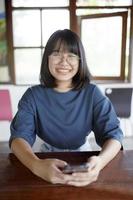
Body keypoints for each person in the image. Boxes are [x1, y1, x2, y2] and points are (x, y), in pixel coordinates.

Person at [9, 29, 123, 187]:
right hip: (46, 156)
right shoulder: (32, 95)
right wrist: (36, 165)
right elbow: (18, 137)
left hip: (84, 154)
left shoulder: (93, 93)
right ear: (47, 58)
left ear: (80, 60)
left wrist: (100, 161)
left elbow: (114, 135)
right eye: (56, 54)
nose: (64, 61)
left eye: (71, 55)